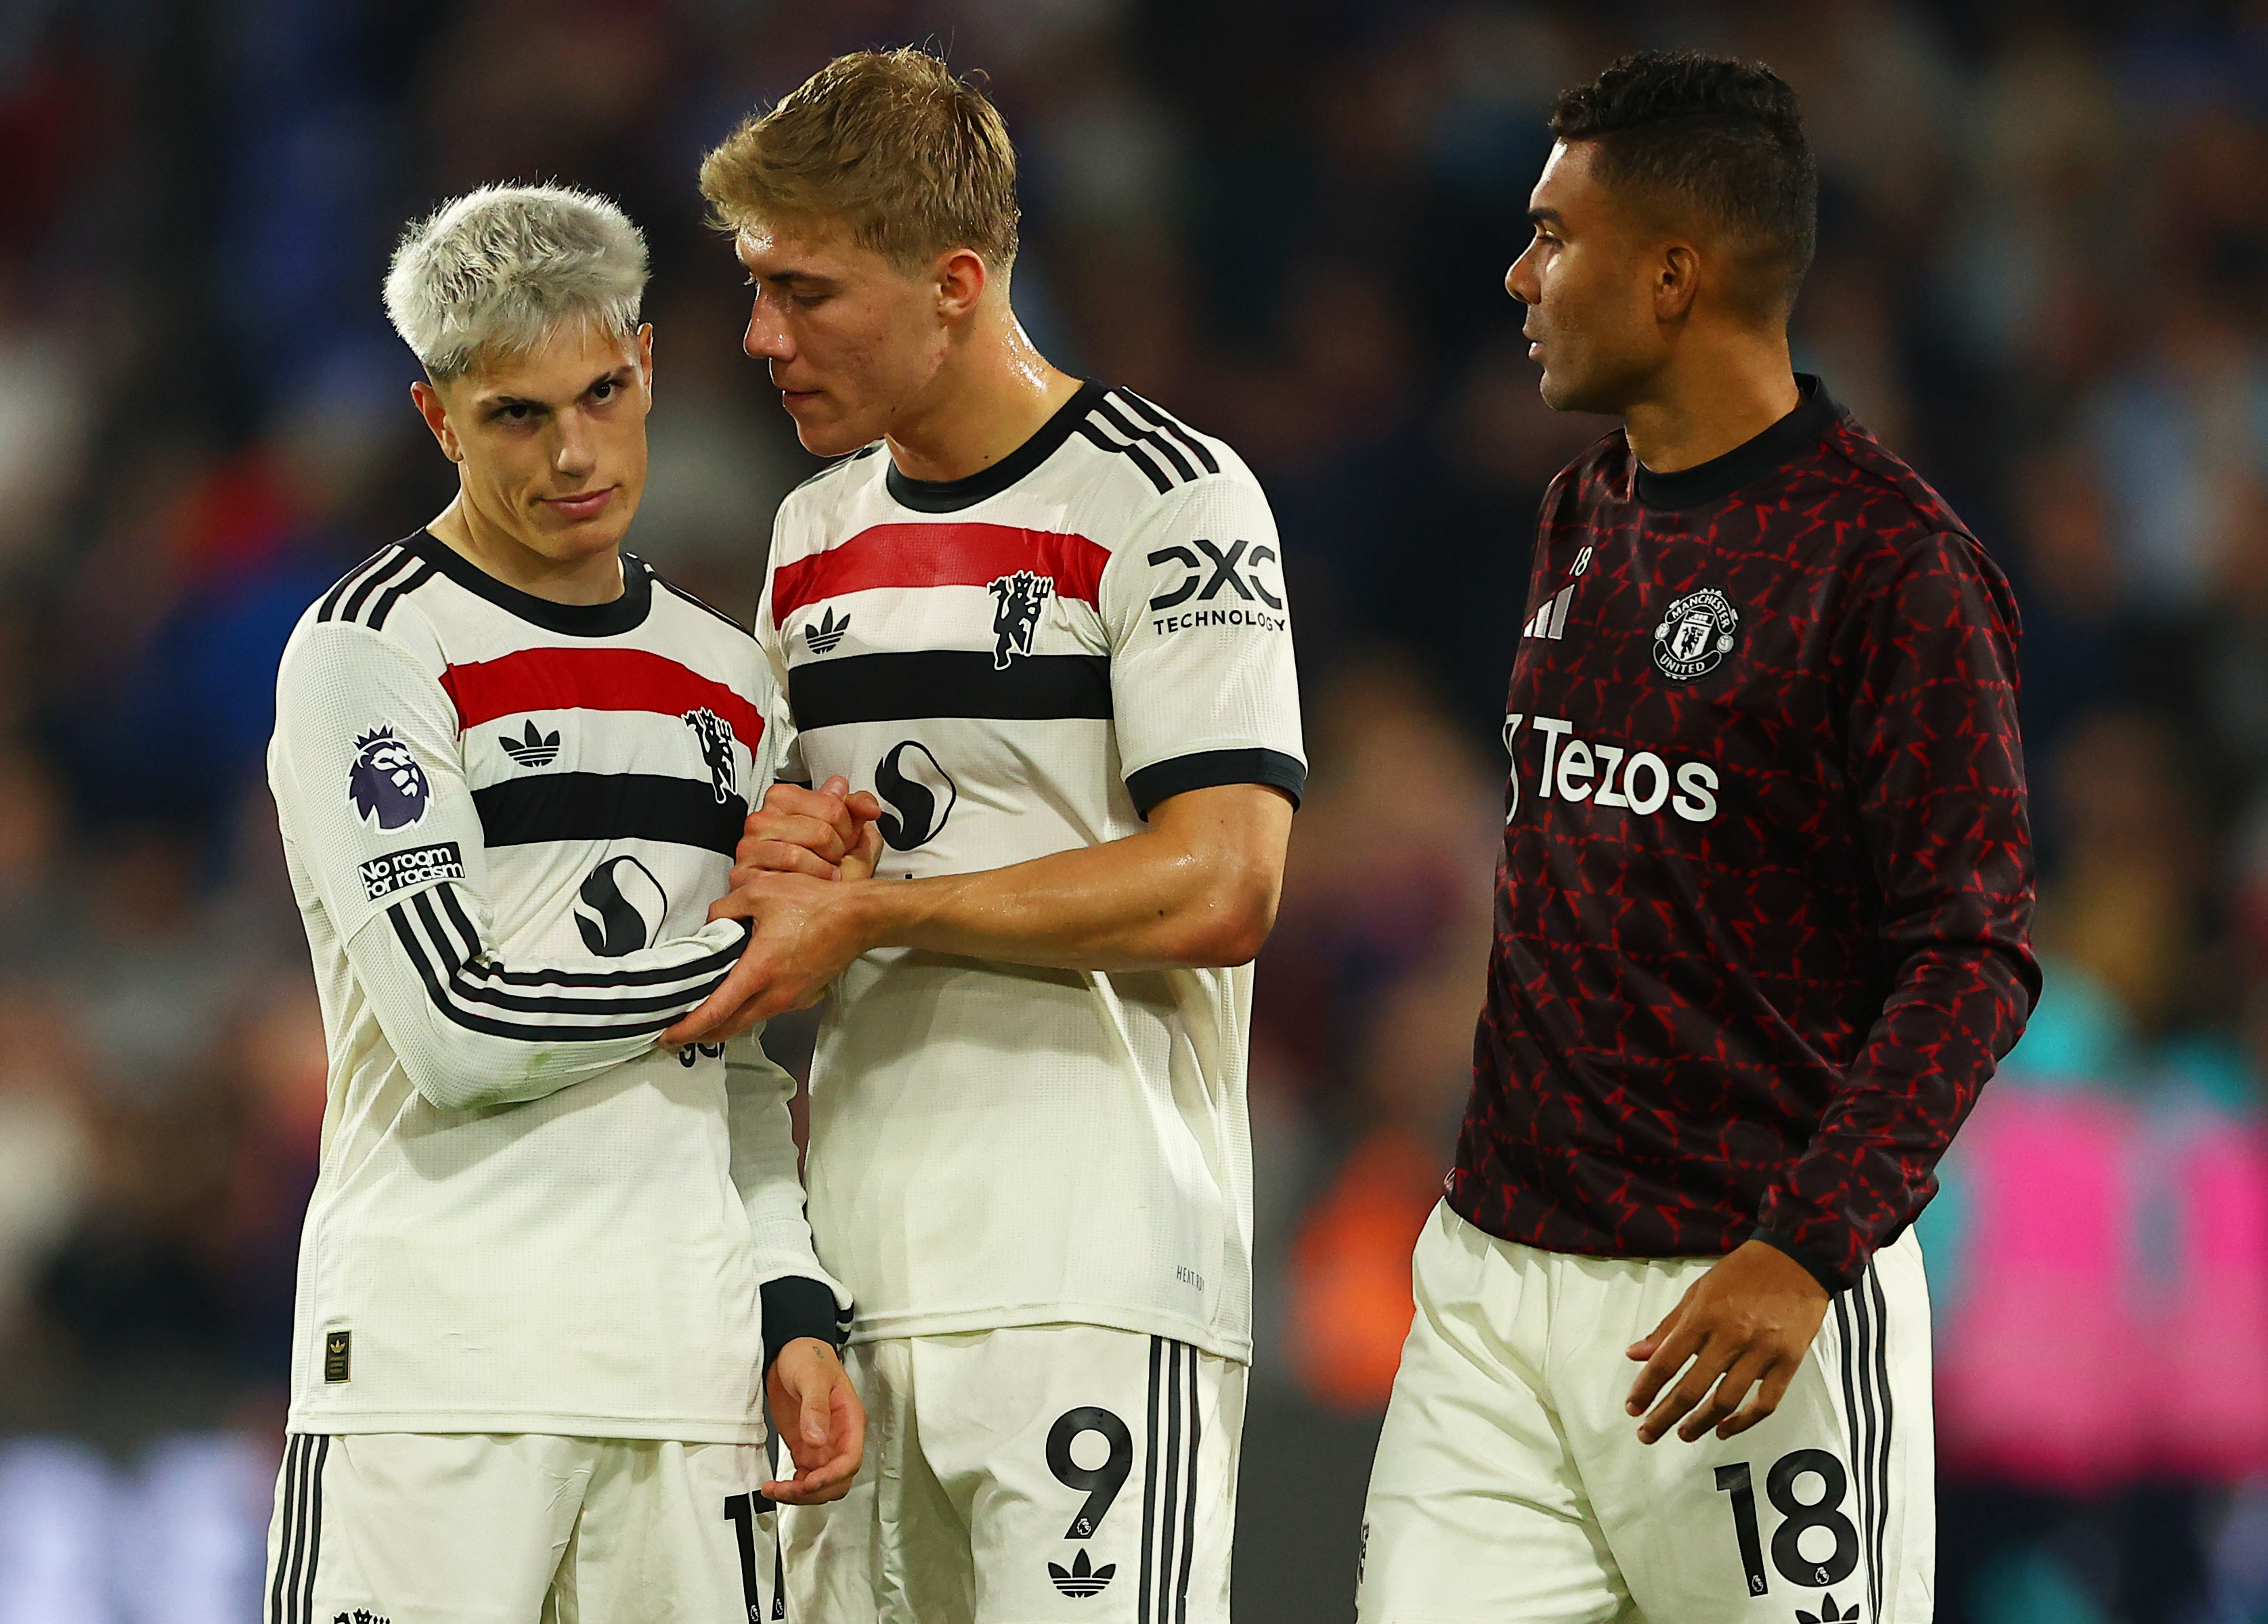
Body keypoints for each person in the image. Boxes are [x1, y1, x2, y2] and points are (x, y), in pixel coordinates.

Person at [1354, 53, 2036, 1624]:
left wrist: (1808, 1248)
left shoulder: (1890, 565)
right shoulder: (1573, 514)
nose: (1513, 274)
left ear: (1669, 274)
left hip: (1743, 1304)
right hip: (1492, 1291)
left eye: (1549, 236)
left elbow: (1973, 952)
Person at [666, 49, 1303, 1624]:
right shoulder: (811, 533)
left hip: (1090, 1260)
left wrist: (880, 914)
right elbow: (772, 891)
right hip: (859, 1270)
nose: (761, 336)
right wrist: (790, 864)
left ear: (953, 283)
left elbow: (1226, 877)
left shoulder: (1168, 500)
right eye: (753, 289)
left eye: (804, 291)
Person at [261, 182, 862, 1623]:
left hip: (684, 1374)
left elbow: (738, 1068)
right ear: (436, 420)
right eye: (516, 416)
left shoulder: (729, 680)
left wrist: (786, 1304)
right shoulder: (370, 651)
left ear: (648, 361)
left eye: (599, 392)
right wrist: (744, 948)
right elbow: (459, 1025)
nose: (575, 452)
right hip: (437, 1372)